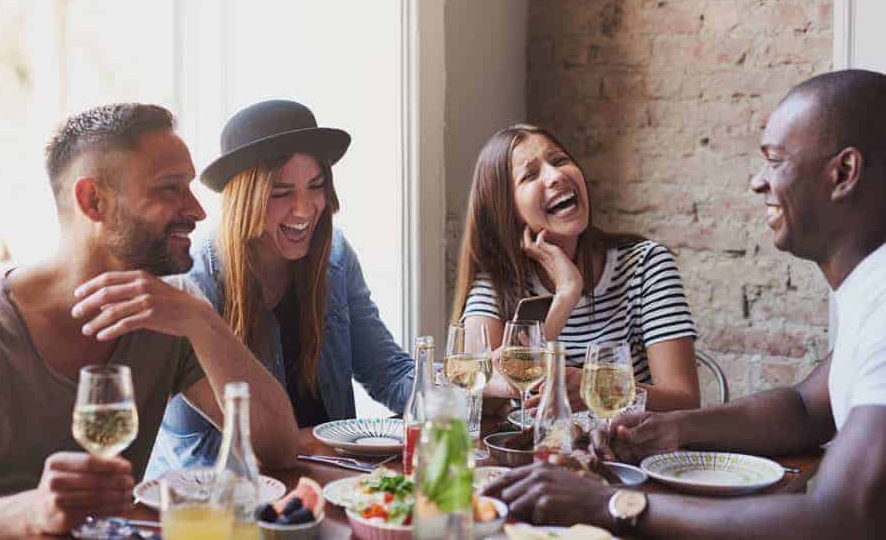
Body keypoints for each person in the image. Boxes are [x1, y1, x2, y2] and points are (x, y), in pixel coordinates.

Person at [485, 69, 886, 538]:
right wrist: (674, 430)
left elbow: (840, 517)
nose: (758, 182)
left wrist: (612, 504)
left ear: (843, 174)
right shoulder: (871, 291)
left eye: (775, 161)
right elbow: (804, 408)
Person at [0, 104, 298, 539]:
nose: (197, 210)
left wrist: (203, 321)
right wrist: (31, 513)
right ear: (93, 201)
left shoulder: (168, 315)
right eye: (170, 189)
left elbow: (278, 448)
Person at [147, 99, 414, 475]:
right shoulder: (193, 284)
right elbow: (195, 451)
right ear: (245, 199)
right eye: (281, 192)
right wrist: (308, 442)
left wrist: (468, 391)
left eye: (316, 186)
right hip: (233, 508)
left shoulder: (335, 258)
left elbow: (390, 372)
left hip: (332, 487)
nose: (305, 209)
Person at [454, 124, 700, 412]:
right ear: (506, 209)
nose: (556, 176)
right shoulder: (498, 280)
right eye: (530, 175)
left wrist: (594, 388)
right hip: (534, 453)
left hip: (627, 453)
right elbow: (468, 391)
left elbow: (685, 401)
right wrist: (566, 295)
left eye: (559, 160)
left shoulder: (645, 265)